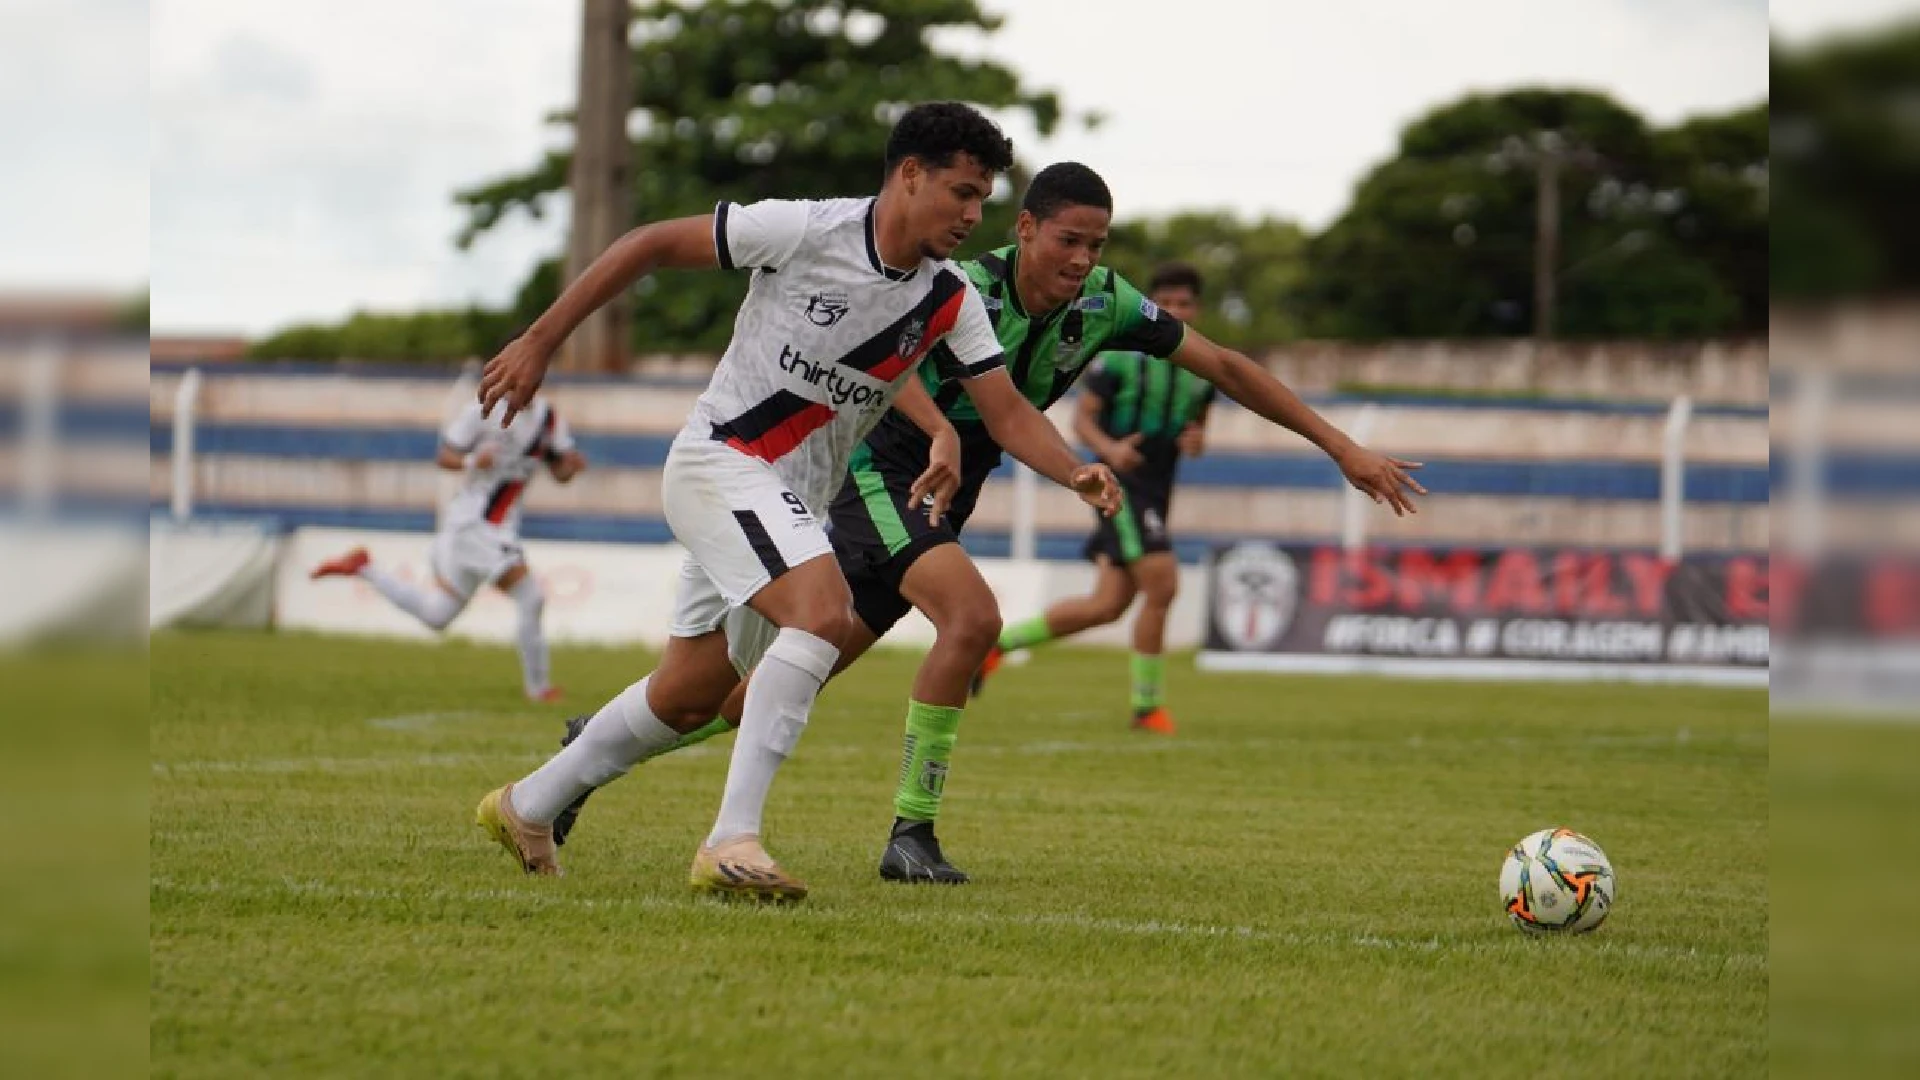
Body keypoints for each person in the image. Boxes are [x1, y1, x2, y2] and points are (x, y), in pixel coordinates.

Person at [549, 162, 1425, 886]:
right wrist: (937, 430)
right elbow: (891, 362)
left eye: (1098, 245)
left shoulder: (1108, 306)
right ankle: (910, 836)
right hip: (877, 476)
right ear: (1029, 231)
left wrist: (1340, 446)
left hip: (938, 497)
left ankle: (587, 753)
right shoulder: (960, 286)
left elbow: (1227, 365)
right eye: (1070, 240)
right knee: (972, 619)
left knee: (756, 695)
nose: (1084, 259)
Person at [468, 102, 1118, 904]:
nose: (972, 214)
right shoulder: (804, 231)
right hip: (720, 461)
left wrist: (1076, 472)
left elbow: (1009, 413)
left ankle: (527, 805)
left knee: (689, 694)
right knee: (824, 613)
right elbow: (646, 247)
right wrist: (539, 342)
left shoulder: (950, 297)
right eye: (961, 191)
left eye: (983, 197)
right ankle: (731, 841)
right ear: (909, 175)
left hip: (791, 500)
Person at [972, 261, 1216, 734]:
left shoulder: (1199, 373)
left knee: (1108, 604)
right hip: (1121, 485)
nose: (1175, 311)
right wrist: (1111, 451)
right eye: (1166, 303)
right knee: (1163, 585)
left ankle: (998, 645)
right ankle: (1147, 708)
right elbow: (1082, 420)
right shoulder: (1122, 359)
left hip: (1159, 489)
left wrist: (1196, 441)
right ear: (1154, 305)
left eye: (1184, 304)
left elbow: (1198, 431)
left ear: (1196, 308)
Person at [310, 390, 584, 703]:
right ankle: (539, 690)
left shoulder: (548, 419)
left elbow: (561, 471)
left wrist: (572, 466)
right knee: (530, 596)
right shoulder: (482, 412)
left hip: (499, 526)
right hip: (475, 523)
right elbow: (445, 456)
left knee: (437, 614)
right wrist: (472, 460)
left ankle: (364, 568)